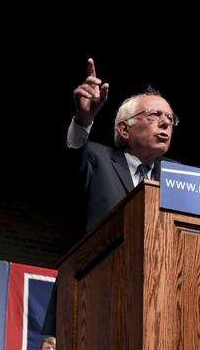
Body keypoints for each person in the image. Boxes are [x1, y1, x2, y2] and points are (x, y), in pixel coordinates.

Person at [67, 58, 177, 229]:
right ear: (124, 129)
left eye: (170, 118)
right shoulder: (97, 159)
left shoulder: (179, 175)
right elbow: (71, 167)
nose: (166, 123)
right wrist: (83, 120)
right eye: (155, 115)